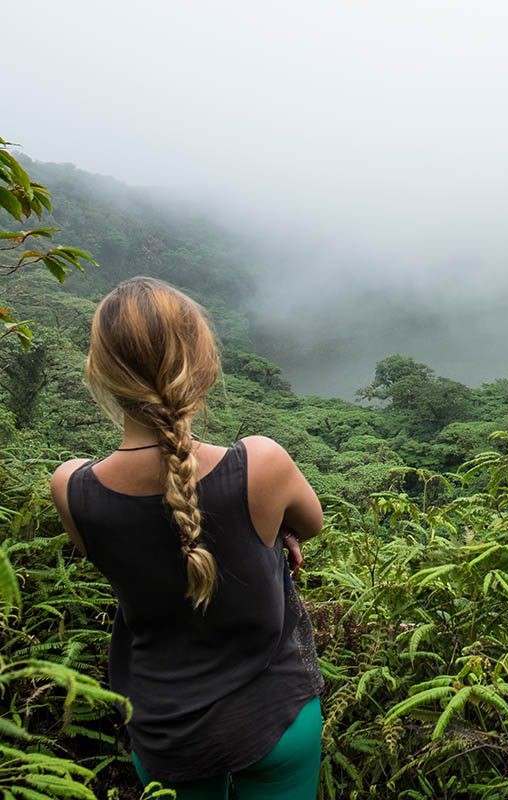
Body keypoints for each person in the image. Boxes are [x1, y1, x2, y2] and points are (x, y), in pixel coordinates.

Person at [50, 277, 325, 800]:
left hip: (166, 733)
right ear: (203, 362)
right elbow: (311, 523)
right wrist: (272, 525)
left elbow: (113, 551)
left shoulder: (72, 488)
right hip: (277, 713)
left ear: (101, 373)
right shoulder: (260, 464)